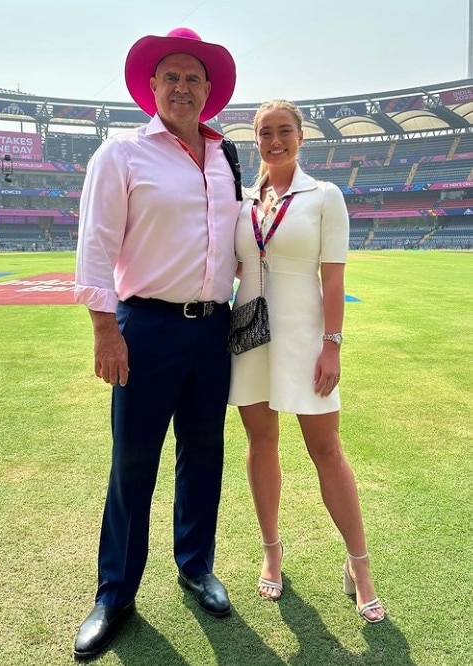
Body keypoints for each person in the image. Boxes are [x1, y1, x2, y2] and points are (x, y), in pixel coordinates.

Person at [73, 28, 241, 659]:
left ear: (208, 91)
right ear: (151, 87)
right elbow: (96, 243)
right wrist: (103, 326)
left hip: (212, 329)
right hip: (146, 325)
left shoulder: (226, 157)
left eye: (193, 77)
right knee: (133, 462)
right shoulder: (121, 153)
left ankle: (196, 566)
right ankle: (114, 593)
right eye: (170, 76)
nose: (181, 86)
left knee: (204, 454)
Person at [228, 100, 385, 623]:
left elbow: (334, 277)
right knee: (261, 441)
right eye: (266, 133)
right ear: (256, 140)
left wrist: (333, 344)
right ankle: (272, 551)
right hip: (250, 334)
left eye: (284, 132)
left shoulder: (325, 195)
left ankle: (359, 566)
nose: (275, 141)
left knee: (327, 449)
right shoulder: (243, 197)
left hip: (304, 337)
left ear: (301, 137)